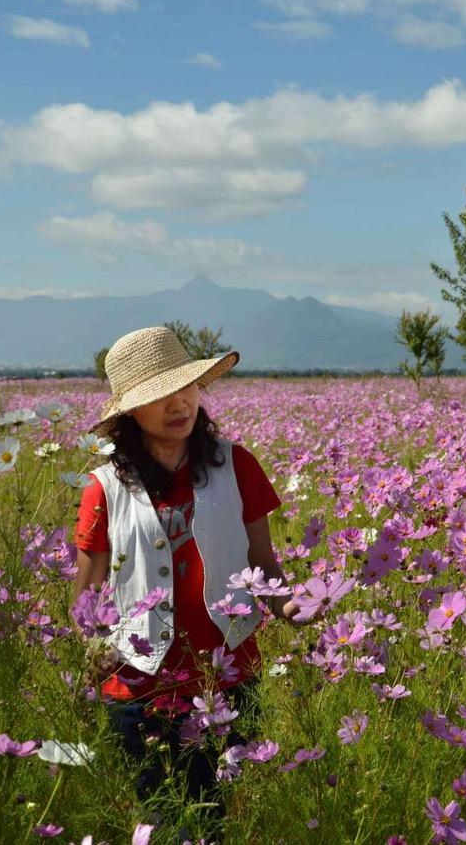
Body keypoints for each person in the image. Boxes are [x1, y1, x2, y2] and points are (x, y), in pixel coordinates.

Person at [72, 325, 295, 817]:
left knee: (214, 812)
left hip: (228, 673)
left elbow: (263, 563)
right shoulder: (104, 487)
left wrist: (289, 605)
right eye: (160, 396)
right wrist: (93, 648)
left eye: (186, 388)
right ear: (130, 412)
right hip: (139, 684)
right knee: (162, 816)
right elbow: (87, 596)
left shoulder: (238, 466)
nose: (179, 405)